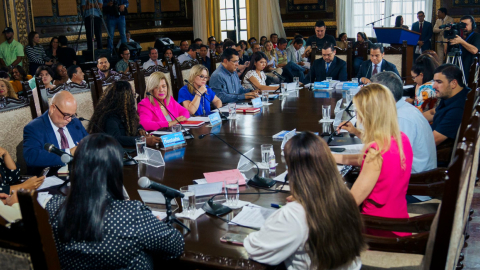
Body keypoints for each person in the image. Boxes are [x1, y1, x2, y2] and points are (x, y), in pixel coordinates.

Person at [45, 133, 184, 269]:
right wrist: (155, 225)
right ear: (115, 170)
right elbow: (176, 245)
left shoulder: (53, 208)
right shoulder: (132, 214)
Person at [244, 132, 365, 270]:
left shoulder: (296, 214)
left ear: (294, 174)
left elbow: (256, 250)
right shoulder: (345, 196)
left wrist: (252, 235)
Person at [333, 84, 413, 237]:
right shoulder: (401, 139)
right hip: (399, 222)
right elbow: (370, 162)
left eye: (358, 111)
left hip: (377, 229)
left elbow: (351, 202)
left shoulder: (375, 152)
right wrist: (332, 157)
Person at [23, 91, 88, 175]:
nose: (69, 119)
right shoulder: (34, 128)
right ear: (52, 108)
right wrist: (68, 153)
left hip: (82, 172)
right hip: (53, 177)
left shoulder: (75, 122)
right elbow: (31, 157)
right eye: (66, 114)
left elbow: (88, 142)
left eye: (72, 115)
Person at [88, 81, 160, 147]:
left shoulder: (125, 112)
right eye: (133, 95)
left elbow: (135, 123)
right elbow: (116, 139)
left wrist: (139, 129)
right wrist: (143, 140)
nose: (134, 98)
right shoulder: (109, 117)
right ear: (124, 100)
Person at [424, 64, 469, 146]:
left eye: (439, 82)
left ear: (453, 83)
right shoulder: (451, 94)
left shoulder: (458, 108)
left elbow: (432, 141)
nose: (434, 86)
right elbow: (433, 112)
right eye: (434, 81)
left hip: (438, 151)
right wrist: (412, 118)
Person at [448, 15, 480, 82]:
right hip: (456, 67)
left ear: (473, 26)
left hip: (469, 69)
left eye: (466, 25)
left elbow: (474, 50)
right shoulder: (457, 36)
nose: (464, 27)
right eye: (462, 25)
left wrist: (461, 41)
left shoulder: (476, 36)